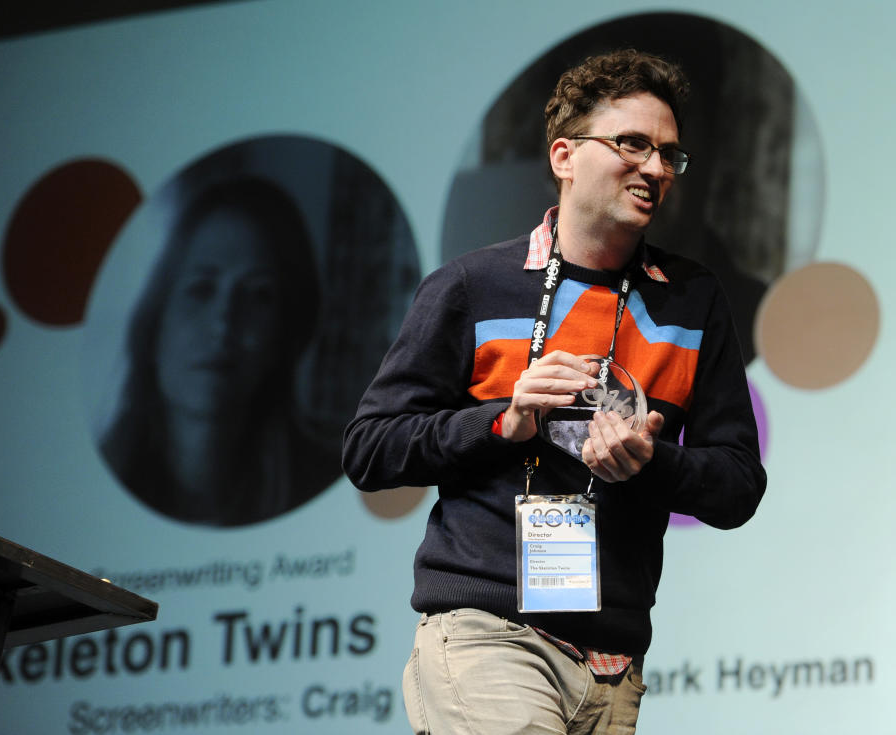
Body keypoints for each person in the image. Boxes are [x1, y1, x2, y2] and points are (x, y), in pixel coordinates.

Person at [343, 49, 766, 733]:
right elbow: (371, 448)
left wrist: (650, 463)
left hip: (615, 661)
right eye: (632, 144)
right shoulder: (472, 286)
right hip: (490, 632)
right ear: (564, 156)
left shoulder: (693, 301)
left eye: (669, 154)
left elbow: (738, 482)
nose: (655, 169)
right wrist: (503, 423)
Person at [100, 176, 337, 526]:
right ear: (155, 320)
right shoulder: (93, 495)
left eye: (258, 295)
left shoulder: (334, 484)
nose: (224, 323)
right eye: (201, 289)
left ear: (284, 333)